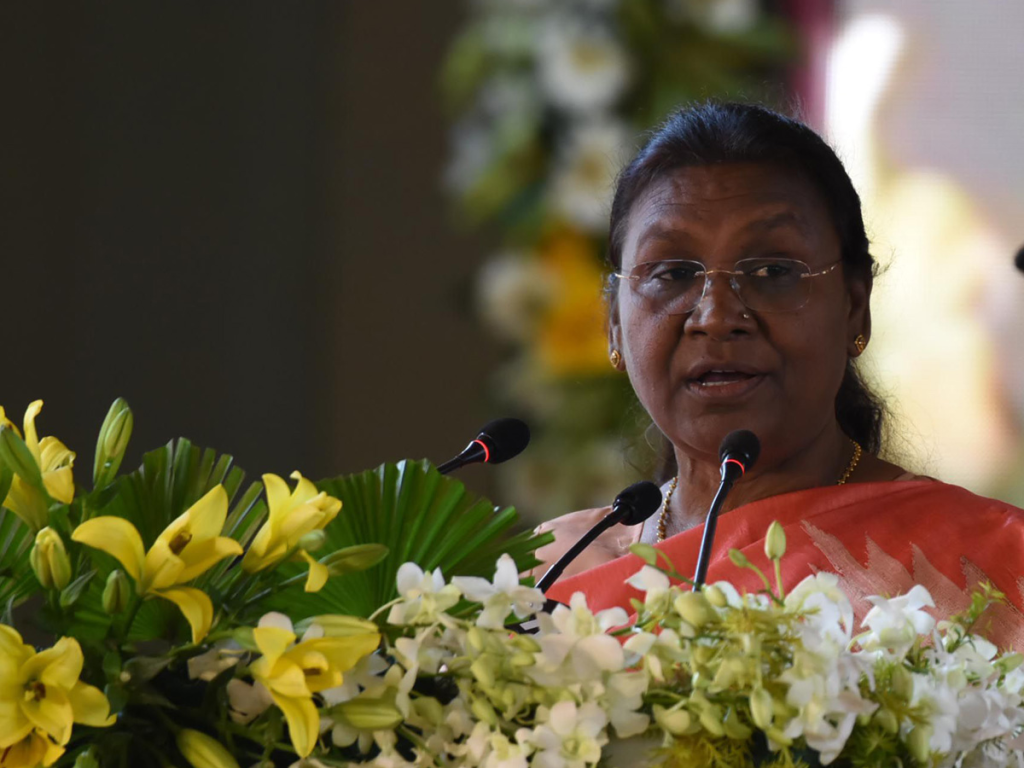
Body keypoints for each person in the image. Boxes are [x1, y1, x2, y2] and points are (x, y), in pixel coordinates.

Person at [532, 102, 1024, 648]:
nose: (716, 315)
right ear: (614, 324)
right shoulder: (550, 575)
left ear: (855, 308)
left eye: (772, 271)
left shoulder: (999, 560)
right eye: (672, 273)